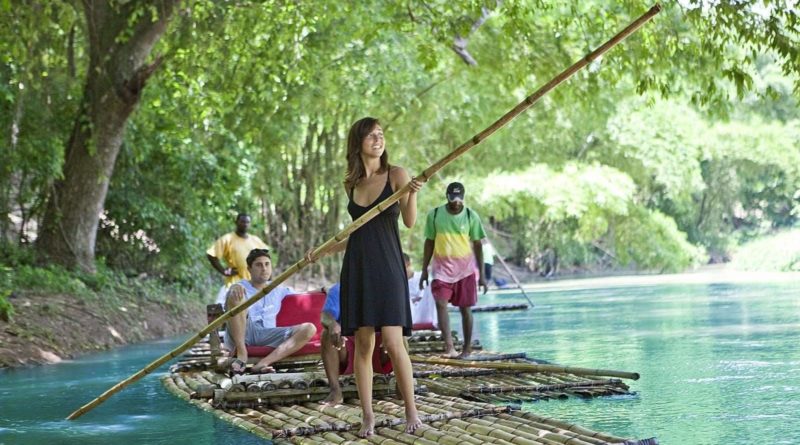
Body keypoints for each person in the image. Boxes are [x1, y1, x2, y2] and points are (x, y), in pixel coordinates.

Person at [311, 117, 424, 437]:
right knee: (363, 343)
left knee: (392, 340)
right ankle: (368, 415)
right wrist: (324, 251)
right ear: (358, 142)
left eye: (382, 134)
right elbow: (358, 234)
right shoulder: (352, 184)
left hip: (388, 268)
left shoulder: (397, 174)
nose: (378, 139)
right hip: (358, 268)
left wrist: (411, 193)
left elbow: (410, 221)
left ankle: (411, 410)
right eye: (371, 135)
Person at [420, 182, 488, 358]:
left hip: (465, 271)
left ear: (463, 197)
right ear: (447, 197)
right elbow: (429, 242)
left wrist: (483, 276)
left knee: (466, 309)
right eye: (452, 198)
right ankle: (449, 346)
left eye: (459, 198)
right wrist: (424, 270)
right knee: (441, 304)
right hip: (441, 270)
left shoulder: (471, 216)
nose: (456, 202)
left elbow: (478, 245)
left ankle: (466, 349)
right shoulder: (434, 215)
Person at [225, 248, 316, 374]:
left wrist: (322, 289)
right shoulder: (241, 286)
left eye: (267, 264)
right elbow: (234, 290)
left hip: (267, 333)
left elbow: (302, 295)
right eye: (258, 265)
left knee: (309, 328)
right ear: (249, 269)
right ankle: (242, 353)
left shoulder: (278, 288)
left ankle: (262, 364)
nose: (264, 268)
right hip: (244, 330)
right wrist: (235, 288)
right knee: (236, 296)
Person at [319, 283, 391, 406]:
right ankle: (335, 391)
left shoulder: (386, 286)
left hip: (380, 346)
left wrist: (389, 331)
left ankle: (403, 390)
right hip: (347, 344)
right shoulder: (339, 288)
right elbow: (325, 316)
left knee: (400, 337)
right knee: (326, 335)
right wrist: (332, 324)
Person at [207, 213, 269, 304]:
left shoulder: (255, 241)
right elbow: (211, 255)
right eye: (242, 221)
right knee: (225, 310)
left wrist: (268, 279)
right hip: (235, 283)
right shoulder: (228, 239)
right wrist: (223, 271)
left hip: (254, 284)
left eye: (247, 222)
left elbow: (267, 260)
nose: (245, 224)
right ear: (236, 222)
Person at [403, 253, 436, 328]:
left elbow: (427, 297)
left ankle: (437, 323)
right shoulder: (398, 282)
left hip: (424, 312)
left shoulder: (421, 276)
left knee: (432, 285)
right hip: (408, 315)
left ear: (408, 264)